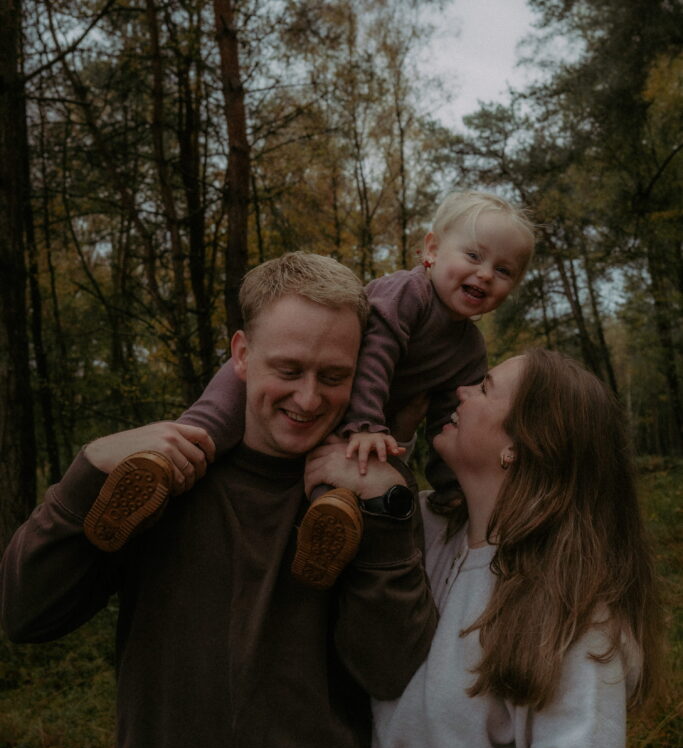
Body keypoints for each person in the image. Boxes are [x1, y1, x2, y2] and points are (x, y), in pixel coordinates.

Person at [0, 252, 438, 748]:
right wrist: (87, 472)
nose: (307, 398)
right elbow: (24, 613)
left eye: (333, 377)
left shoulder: (360, 494)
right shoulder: (161, 476)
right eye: (287, 370)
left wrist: (385, 516)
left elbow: (388, 669)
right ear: (240, 354)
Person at [318, 347, 662, 748]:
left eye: (484, 387)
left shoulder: (571, 600)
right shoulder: (426, 535)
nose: (462, 394)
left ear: (519, 446)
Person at [83, 190, 535, 591]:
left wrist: (449, 486)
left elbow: (447, 420)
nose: (485, 274)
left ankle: (329, 523)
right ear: (432, 249)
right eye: (474, 256)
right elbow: (374, 355)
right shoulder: (407, 293)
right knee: (208, 425)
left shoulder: (470, 349)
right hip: (339, 399)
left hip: (348, 414)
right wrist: (367, 423)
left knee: (346, 473)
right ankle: (158, 470)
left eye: (504, 270)